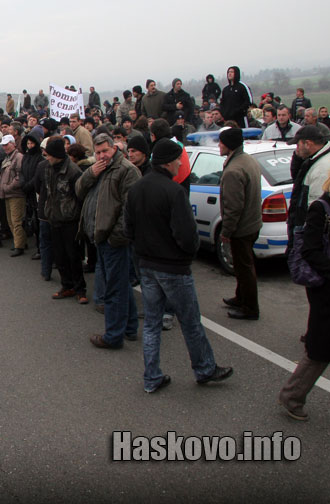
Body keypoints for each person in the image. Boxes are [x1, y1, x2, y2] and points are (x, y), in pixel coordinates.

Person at [125, 139, 233, 393]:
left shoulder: (136, 188)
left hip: (146, 265)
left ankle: (152, 377)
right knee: (190, 321)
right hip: (173, 268)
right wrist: (187, 255)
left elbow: (128, 228)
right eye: (179, 161)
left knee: (151, 323)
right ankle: (205, 368)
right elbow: (187, 236)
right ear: (170, 162)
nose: (181, 165)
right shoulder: (174, 192)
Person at [278, 157, 330, 420]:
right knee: (320, 350)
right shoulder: (322, 208)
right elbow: (310, 250)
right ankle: (291, 396)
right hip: (329, 291)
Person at [78, 134, 141, 348]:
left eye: (105, 151)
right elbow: (78, 190)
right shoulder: (97, 169)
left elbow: (130, 210)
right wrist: (90, 174)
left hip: (113, 240)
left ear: (114, 148)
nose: (102, 156)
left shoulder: (126, 170)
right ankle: (130, 327)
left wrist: (116, 237)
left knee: (113, 289)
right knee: (120, 283)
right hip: (99, 237)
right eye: (97, 153)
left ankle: (113, 336)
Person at [218, 127, 263, 320]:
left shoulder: (234, 171)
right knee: (242, 264)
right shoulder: (248, 160)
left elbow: (233, 207)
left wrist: (226, 231)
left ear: (228, 145)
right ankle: (240, 297)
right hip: (253, 224)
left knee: (244, 268)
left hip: (241, 229)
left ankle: (250, 308)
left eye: (220, 142)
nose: (218, 146)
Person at [43, 138, 88, 302]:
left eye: (49, 155)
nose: (47, 158)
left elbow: (81, 197)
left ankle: (80, 289)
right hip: (54, 217)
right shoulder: (48, 169)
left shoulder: (73, 171)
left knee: (74, 256)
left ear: (57, 155)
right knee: (60, 255)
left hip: (70, 220)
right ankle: (66, 285)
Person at [286, 125, 330, 248]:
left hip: (315, 237)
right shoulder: (316, 161)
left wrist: (310, 242)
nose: (296, 150)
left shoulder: (323, 168)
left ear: (308, 144)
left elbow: (316, 210)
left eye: (298, 145)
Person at [0, 135, 26, 256]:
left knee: (16, 221)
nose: (5, 147)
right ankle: (19, 242)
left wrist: (8, 187)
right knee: (10, 220)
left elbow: (20, 176)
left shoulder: (18, 157)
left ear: (13, 144)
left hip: (16, 194)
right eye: (3, 145)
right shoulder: (7, 157)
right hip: (8, 194)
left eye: (7, 144)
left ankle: (19, 246)